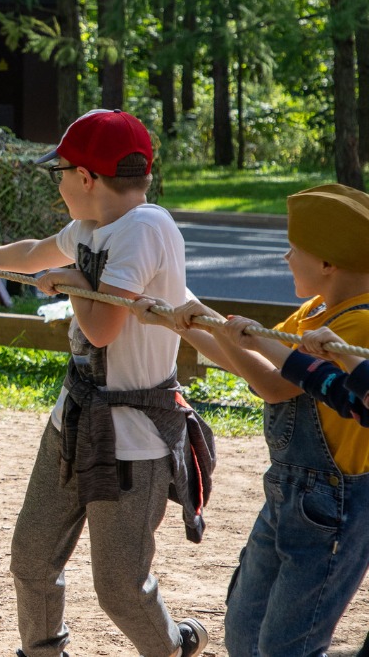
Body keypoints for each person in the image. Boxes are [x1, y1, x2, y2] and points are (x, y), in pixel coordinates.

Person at [0, 109, 212, 657]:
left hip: (134, 442)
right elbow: (36, 252)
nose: (60, 184)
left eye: (61, 173)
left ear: (87, 179)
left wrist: (75, 281)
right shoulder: (92, 227)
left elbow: (99, 330)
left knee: (119, 589)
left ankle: (171, 646)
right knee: (31, 557)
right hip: (74, 422)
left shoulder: (146, 229)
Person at [129, 183, 369, 657]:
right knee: (243, 629)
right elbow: (256, 367)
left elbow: (275, 384)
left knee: (287, 645)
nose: (284, 257)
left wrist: (229, 331)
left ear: (327, 263)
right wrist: (188, 325)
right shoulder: (316, 312)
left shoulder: (356, 324)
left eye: (293, 249)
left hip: (334, 509)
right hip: (286, 494)